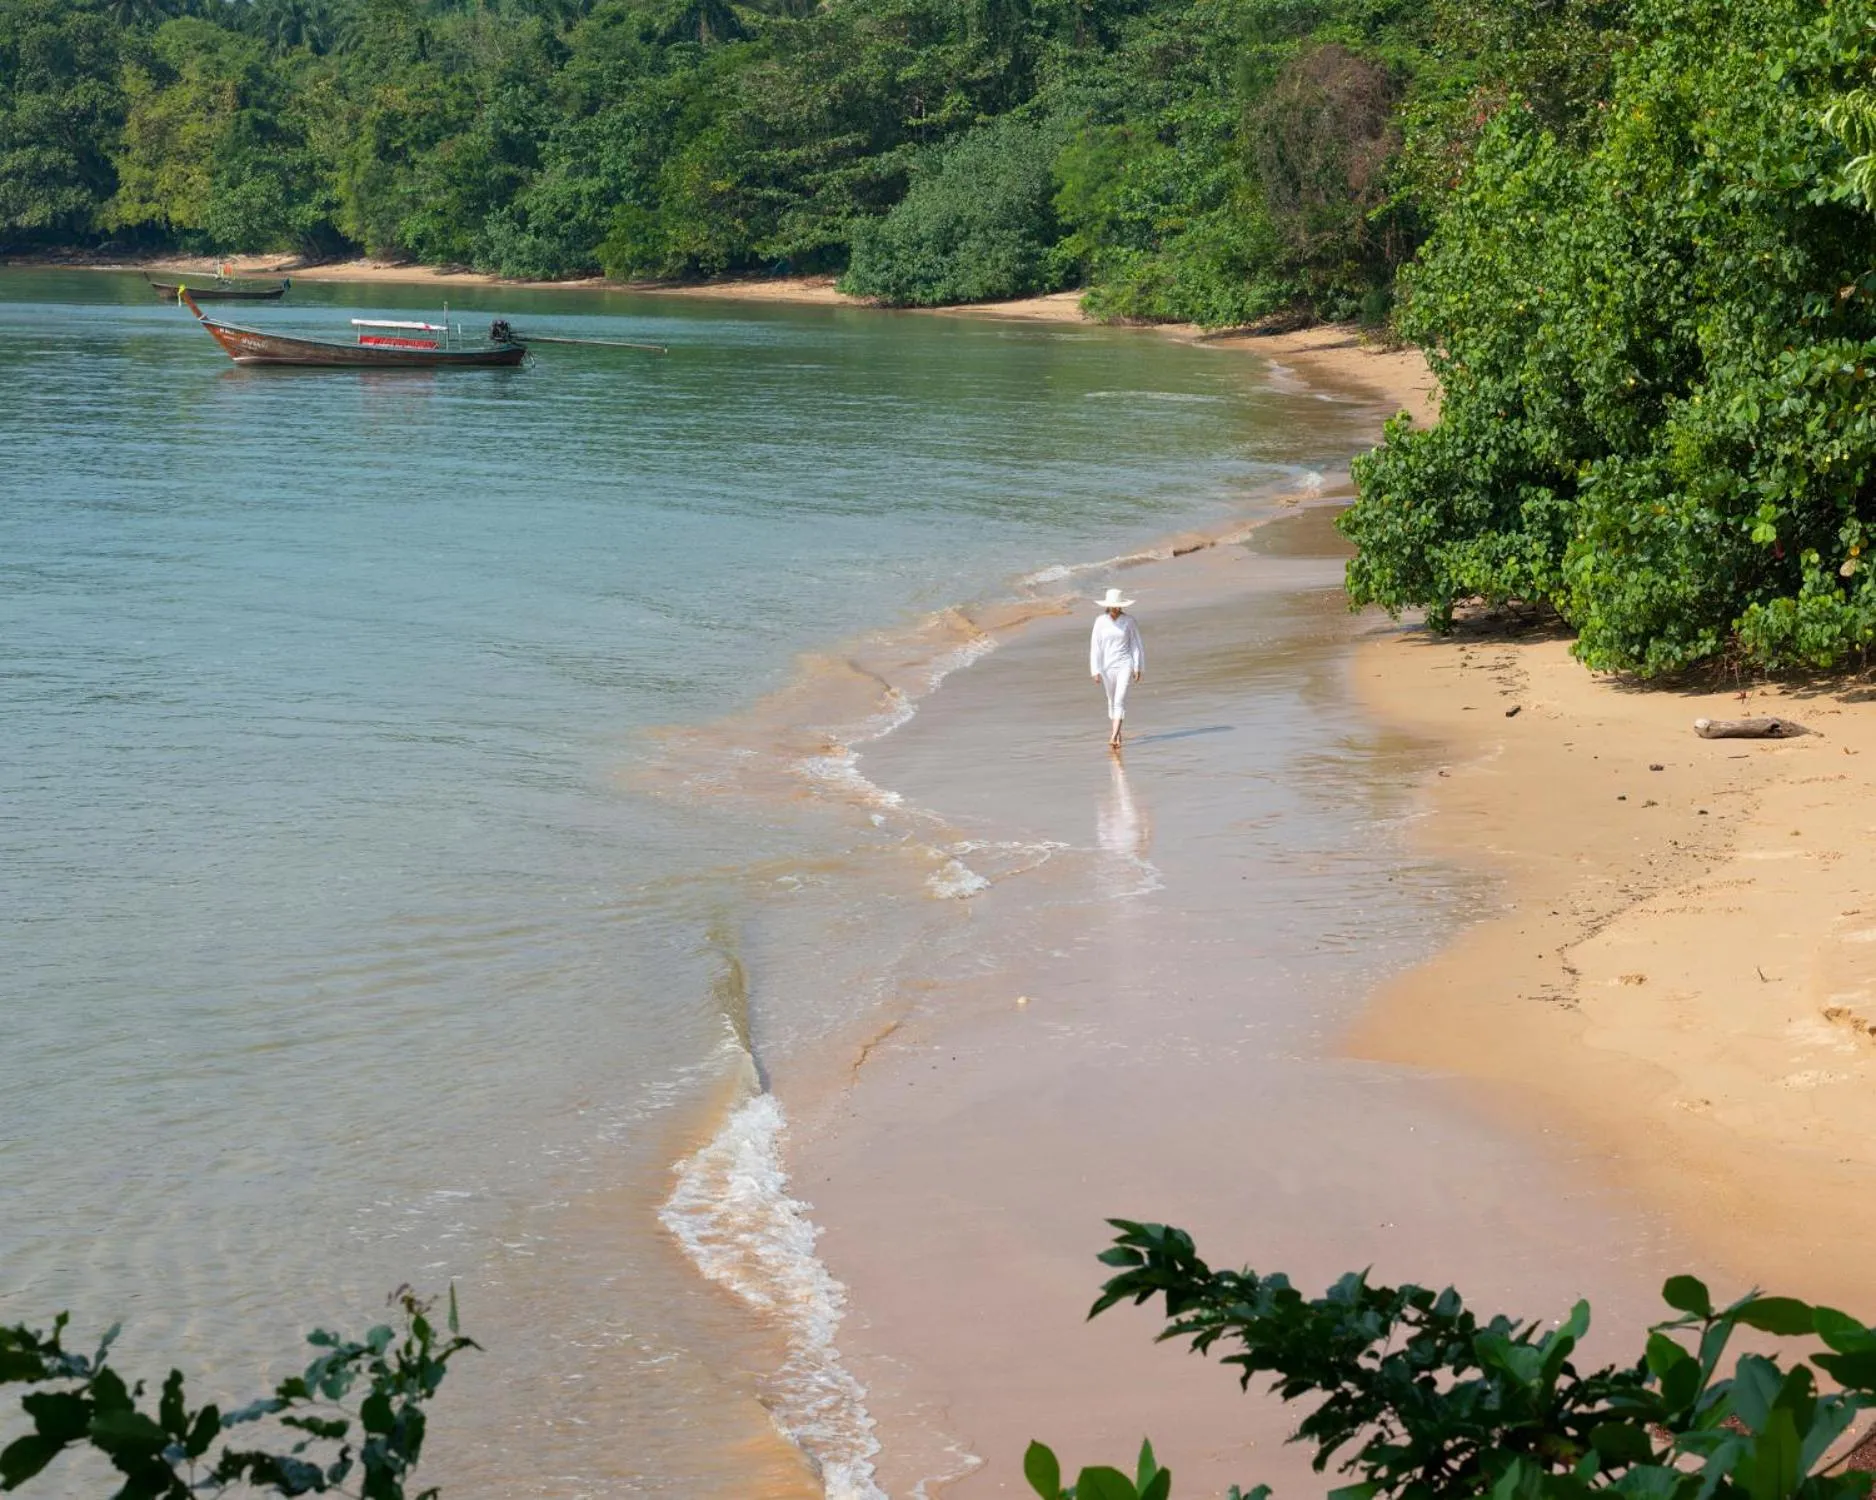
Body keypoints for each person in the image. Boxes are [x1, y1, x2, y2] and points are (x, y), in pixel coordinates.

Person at [1089, 587, 1144, 749]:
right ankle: (1117, 732)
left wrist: (1137, 666)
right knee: (1111, 700)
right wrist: (1095, 670)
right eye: (1112, 606)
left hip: (1124, 664)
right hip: (1107, 666)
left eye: (1117, 606)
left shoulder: (1129, 621)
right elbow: (1095, 647)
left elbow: (1136, 644)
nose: (1114, 609)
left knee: (1120, 699)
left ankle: (1113, 735)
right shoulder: (1100, 621)